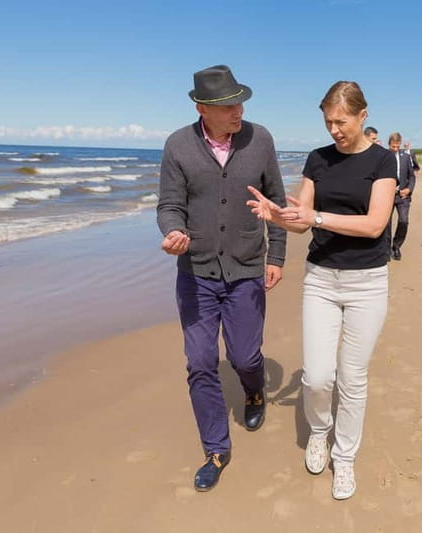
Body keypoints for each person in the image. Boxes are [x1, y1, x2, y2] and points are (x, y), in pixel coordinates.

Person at [247, 81, 396, 500]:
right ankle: (319, 431)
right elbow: (301, 220)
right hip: (321, 280)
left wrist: (316, 217)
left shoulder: (384, 162)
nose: (334, 129)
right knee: (315, 377)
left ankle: (344, 458)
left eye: (341, 121)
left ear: (362, 117)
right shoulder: (318, 159)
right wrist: (277, 216)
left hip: (367, 283)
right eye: (328, 121)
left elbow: (374, 225)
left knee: (351, 379)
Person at [156, 65, 287, 492]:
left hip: (247, 266)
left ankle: (253, 391)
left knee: (247, 358)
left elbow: (277, 202)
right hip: (195, 273)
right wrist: (172, 231)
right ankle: (215, 448)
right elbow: (169, 205)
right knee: (199, 363)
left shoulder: (260, 138)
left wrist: (277, 255)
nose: (239, 111)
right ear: (202, 109)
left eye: (240, 102)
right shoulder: (177, 145)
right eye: (229, 105)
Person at [387, 132, 417, 260]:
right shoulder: (384, 156)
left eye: (397, 147)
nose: (395, 149)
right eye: (393, 146)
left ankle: (396, 246)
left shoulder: (405, 157)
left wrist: (409, 189)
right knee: (386, 223)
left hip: (403, 196)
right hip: (387, 196)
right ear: (389, 144)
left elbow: (412, 176)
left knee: (403, 221)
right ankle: (386, 249)